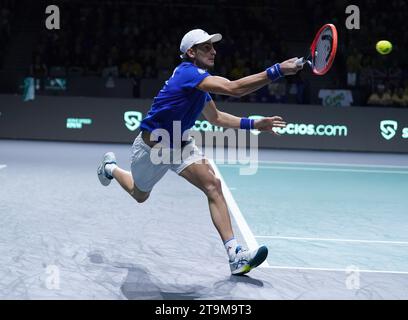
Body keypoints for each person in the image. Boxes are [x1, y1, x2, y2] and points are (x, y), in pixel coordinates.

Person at [97, 29, 302, 275]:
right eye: (206, 47)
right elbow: (234, 88)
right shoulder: (187, 74)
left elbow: (216, 118)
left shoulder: (199, 86)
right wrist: (277, 70)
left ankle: (235, 255)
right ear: (191, 52)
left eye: (213, 46)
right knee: (139, 194)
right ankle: (109, 168)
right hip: (151, 150)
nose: (213, 51)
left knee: (213, 184)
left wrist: (254, 124)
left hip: (181, 145)